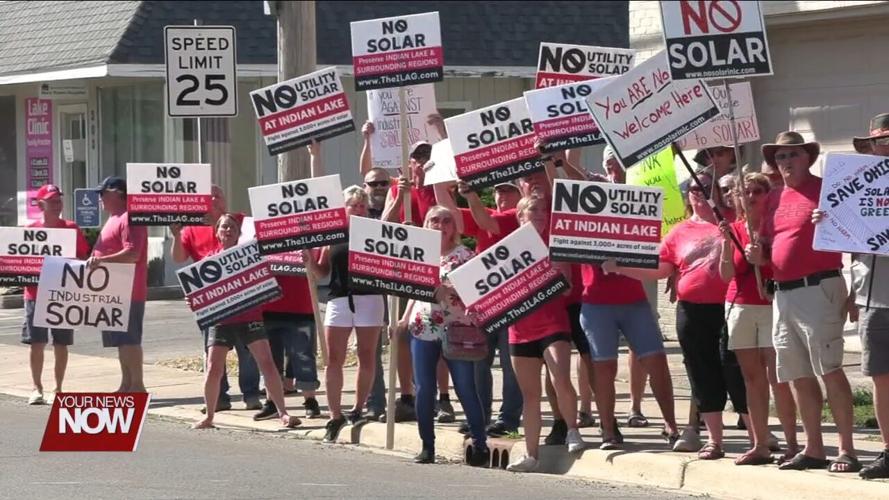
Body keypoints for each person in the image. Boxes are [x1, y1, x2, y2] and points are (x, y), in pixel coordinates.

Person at [606, 172, 749, 459]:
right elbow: (660, 270)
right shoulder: (679, 232)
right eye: (694, 189)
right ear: (687, 196)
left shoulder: (736, 222)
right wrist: (620, 266)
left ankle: (756, 432)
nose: (700, 193)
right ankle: (713, 439)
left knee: (736, 369)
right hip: (692, 309)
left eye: (707, 188)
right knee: (701, 370)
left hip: (733, 305)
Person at [750, 131, 858, 473]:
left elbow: (858, 232)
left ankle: (846, 449)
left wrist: (833, 222)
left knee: (829, 367)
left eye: (792, 155)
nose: (785, 162)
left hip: (819, 287)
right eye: (780, 157)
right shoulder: (776, 198)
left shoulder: (829, 190)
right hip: (784, 293)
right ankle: (814, 448)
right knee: (796, 374)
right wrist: (759, 254)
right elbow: (768, 246)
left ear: (807, 157)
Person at [818, 113, 889, 479]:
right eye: (880, 142)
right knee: (880, 376)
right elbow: (845, 239)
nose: (885, 147)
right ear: (871, 146)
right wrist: (827, 220)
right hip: (874, 297)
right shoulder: (857, 186)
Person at [395, 205, 489, 465]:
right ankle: (428, 446)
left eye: (446, 220)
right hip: (423, 328)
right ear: (425, 225)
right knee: (424, 388)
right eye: (434, 220)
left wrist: (448, 288)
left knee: (465, 387)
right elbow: (413, 290)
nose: (440, 224)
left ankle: (480, 444)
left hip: (457, 328)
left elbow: (478, 289)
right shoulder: (417, 256)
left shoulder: (465, 255)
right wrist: (403, 319)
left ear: (454, 226)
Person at [717, 173, 798, 465]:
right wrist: (727, 243)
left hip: (770, 306)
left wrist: (762, 259)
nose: (750, 197)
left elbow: (785, 264)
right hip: (739, 306)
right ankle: (760, 442)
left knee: (778, 377)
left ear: (767, 194)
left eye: (757, 191)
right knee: (752, 379)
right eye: (745, 192)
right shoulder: (735, 229)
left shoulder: (776, 226)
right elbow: (726, 275)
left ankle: (791, 443)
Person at [192, 214, 300, 430]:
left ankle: (283, 414)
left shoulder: (251, 257)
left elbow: (269, 288)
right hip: (221, 321)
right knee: (214, 367)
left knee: (267, 364)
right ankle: (209, 417)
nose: (228, 230)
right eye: (224, 227)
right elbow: (198, 297)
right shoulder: (208, 263)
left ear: (239, 233)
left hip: (250, 318)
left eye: (232, 227)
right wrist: (192, 299)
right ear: (217, 232)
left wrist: (268, 291)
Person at [434, 179, 524, 437]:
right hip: (483, 304)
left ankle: (508, 420)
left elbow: (487, 223)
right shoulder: (485, 213)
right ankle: (480, 416)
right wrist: (438, 176)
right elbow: (449, 212)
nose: (502, 195)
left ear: (520, 194)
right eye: (498, 190)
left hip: (512, 302)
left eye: (509, 190)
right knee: (478, 360)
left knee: (510, 363)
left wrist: (470, 194)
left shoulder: (514, 218)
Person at [505, 195, 587, 473]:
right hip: (519, 329)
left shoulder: (556, 244)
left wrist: (538, 278)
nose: (540, 214)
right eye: (533, 209)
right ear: (520, 215)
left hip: (553, 324)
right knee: (530, 395)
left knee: (560, 378)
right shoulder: (506, 250)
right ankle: (531, 455)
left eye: (543, 210)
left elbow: (565, 287)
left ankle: (572, 430)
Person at [304, 186, 385, 443]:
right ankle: (334, 413)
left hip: (369, 298)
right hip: (339, 299)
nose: (359, 209)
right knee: (333, 358)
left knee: (366, 354)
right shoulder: (333, 235)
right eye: (353, 205)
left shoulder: (375, 232)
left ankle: (359, 407)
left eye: (362, 205)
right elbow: (321, 272)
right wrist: (309, 261)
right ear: (344, 208)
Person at [170, 186, 261, 412]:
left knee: (247, 350)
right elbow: (179, 258)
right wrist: (175, 236)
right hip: (212, 300)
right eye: (207, 196)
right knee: (212, 352)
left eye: (217, 195)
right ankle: (219, 398)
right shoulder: (190, 228)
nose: (212, 199)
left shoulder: (241, 221)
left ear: (225, 199)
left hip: (241, 296)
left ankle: (251, 395)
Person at [21, 184, 90, 405]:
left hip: (62, 294)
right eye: (52, 201)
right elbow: (19, 262)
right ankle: (36, 388)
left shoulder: (71, 228)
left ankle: (58, 388)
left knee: (61, 343)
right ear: (41, 204)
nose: (57, 205)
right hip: (35, 293)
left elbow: (82, 259)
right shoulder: (30, 230)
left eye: (59, 200)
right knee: (36, 342)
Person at [87, 176, 148, 393]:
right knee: (120, 341)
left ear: (118, 194)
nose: (100, 197)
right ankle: (126, 384)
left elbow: (133, 253)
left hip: (129, 291)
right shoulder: (114, 218)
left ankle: (138, 386)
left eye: (103, 193)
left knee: (129, 339)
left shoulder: (130, 217)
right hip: (112, 291)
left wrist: (101, 260)